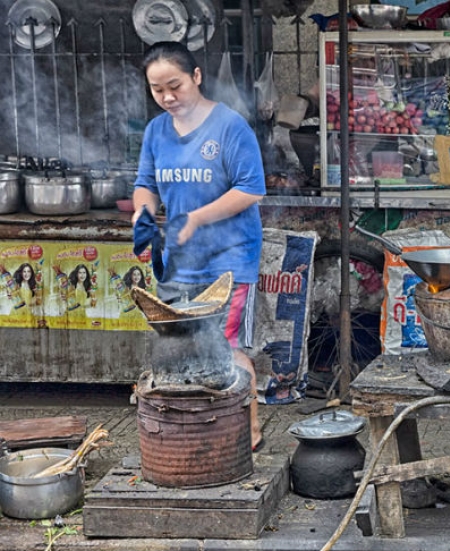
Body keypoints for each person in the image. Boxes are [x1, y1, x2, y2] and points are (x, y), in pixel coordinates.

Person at [132, 41, 266, 452]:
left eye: (175, 86)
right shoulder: (156, 131)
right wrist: (142, 215)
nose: (167, 97)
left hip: (229, 259)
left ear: (196, 76)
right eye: (157, 90)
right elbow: (146, 185)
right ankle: (201, 434)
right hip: (178, 261)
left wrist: (195, 218)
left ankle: (250, 433)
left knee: (223, 347)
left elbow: (251, 189)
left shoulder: (230, 127)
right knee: (181, 345)